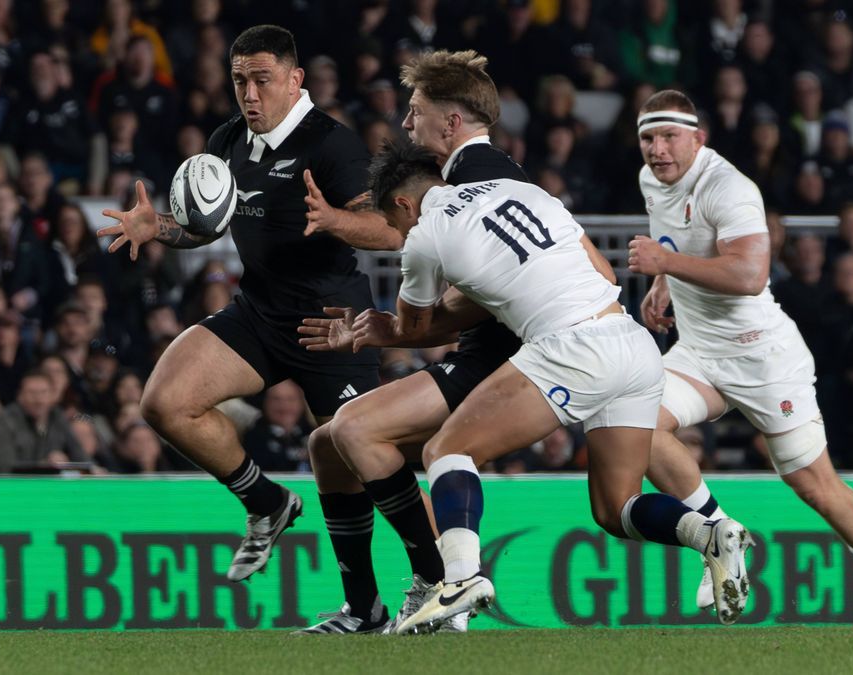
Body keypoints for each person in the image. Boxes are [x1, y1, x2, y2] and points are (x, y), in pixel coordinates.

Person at [309, 140, 751, 634]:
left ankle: (459, 579)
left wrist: (375, 327)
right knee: (615, 507)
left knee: (447, 450)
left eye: (395, 224)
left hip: (571, 348)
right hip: (631, 341)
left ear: (404, 204)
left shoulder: (425, 234)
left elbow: (414, 330)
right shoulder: (524, 191)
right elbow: (594, 267)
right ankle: (709, 532)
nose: (399, 234)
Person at [298, 48, 620, 634]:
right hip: (512, 353)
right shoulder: (476, 176)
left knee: (352, 429)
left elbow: (580, 278)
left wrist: (394, 330)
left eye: (416, 110)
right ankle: (365, 607)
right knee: (327, 443)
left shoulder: (481, 178)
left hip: (512, 362)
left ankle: (440, 587)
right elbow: (588, 274)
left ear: (451, 122)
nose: (405, 122)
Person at [96, 25, 400, 625]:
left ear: (295, 81)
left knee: (354, 461)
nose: (250, 94)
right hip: (258, 313)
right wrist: (157, 228)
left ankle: (411, 593)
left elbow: (390, 231)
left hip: (328, 322)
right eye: (240, 81)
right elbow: (209, 225)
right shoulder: (228, 139)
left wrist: (335, 219)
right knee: (164, 402)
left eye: (262, 80)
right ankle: (266, 502)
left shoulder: (332, 145)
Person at [625, 90, 853, 628]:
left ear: (698, 138)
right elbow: (680, 238)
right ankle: (721, 536)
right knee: (635, 423)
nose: (658, 149)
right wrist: (664, 281)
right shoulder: (653, 180)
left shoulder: (731, 188)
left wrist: (665, 260)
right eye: (649, 137)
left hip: (763, 359)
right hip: (700, 350)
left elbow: (749, 275)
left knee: (815, 487)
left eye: (669, 137)